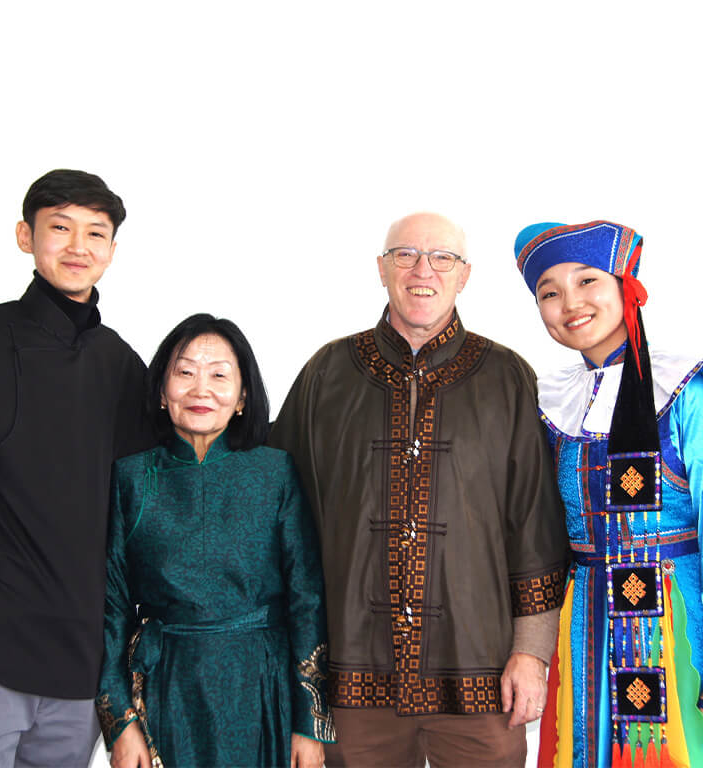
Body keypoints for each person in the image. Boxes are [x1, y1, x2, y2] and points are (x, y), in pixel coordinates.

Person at [269, 212, 569, 768]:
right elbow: (275, 512)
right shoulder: (327, 373)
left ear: (465, 275)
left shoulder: (507, 377)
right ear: (382, 269)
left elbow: (535, 527)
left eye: (442, 258)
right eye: (405, 255)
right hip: (351, 675)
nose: (422, 270)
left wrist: (531, 653)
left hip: (480, 675)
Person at [0, 169, 153, 767]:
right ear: (25, 237)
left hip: (79, 660)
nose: (78, 247)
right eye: (59, 228)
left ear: (112, 250)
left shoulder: (123, 367)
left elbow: (146, 505)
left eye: (95, 233)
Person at [96, 313, 334, 768]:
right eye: (184, 372)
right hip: (165, 682)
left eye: (219, 374)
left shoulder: (275, 472)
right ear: (162, 391)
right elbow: (112, 607)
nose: (200, 389)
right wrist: (120, 722)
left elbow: (307, 599)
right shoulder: (130, 477)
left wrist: (310, 722)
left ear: (243, 395)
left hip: (260, 685)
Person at [514, 220, 703, 767]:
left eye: (587, 281)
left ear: (627, 286)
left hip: (676, 618)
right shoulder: (545, 400)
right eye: (549, 292)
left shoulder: (686, 387)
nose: (569, 302)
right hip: (581, 622)